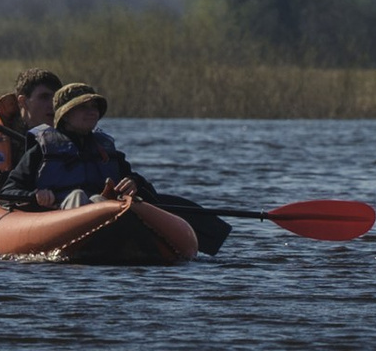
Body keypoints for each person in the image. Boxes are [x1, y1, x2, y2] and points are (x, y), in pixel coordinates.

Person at [33, 83, 231, 257]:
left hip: (103, 213)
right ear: (66, 115)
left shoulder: (109, 152)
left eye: (94, 107)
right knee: (78, 195)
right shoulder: (41, 150)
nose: (92, 111)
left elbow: (144, 188)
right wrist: (36, 195)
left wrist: (134, 183)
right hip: (59, 212)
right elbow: (16, 189)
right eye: (83, 107)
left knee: (98, 201)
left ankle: (106, 242)